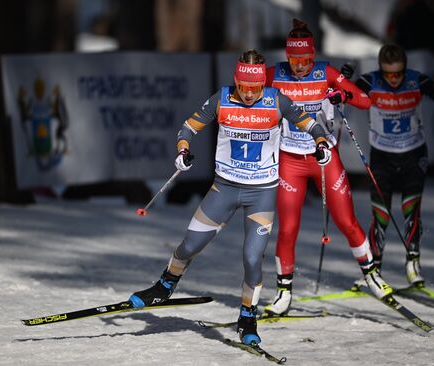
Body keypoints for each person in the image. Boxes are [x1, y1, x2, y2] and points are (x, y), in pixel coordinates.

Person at [128, 49, 331, 346]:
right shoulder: (222, 99)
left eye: (255, 88)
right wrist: (183, 150)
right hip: (223, 189)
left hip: (261, 193)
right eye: (243, 88)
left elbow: (311, 124)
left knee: (252, 259)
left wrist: (322, 144)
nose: (249, 95)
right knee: (189, 245)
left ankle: (248, 315)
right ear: (235, 81)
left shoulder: (277, 101)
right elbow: (188, 127)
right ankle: (164, 286)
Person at [264, 19, 394, 317]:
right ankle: (284, 291)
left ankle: (371, 274)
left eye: (306, 60)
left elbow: (365, 100)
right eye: (295, 60)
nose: (299, 67)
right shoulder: (275, 74)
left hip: (325, 157)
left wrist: (342, 95)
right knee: (288, 228)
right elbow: (244, 85)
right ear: (287, 57)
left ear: (313, 55)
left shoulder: (326, 73)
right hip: (290, 160)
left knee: (346, 221)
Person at [345, 43, 434, 286]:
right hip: (382, 157)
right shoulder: (370, 81)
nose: (393, 79)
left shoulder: (417, 80)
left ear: (405, 69)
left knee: (411, 210)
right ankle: (374, 270)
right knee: (381, 215)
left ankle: (412, 263)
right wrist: (342, 82)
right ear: (380, 70)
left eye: (398, 74)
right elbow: (342, 98)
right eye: (388, 74)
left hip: (413, 155)